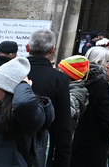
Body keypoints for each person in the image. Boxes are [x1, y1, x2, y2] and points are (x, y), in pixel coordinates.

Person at [25, 28, 72, 167]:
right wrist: (62, 160)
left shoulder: (13, 71)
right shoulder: (59, 79)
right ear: (52, 50)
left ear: (27, 47)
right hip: (42, 144)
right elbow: (63, 123)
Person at [69, 48, 109, 167]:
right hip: (94, 140)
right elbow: (106, 116)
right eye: (108, 62)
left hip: (74, 136)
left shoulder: (76, 77)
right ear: (100, 62)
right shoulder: (100, 83)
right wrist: (107, 136)